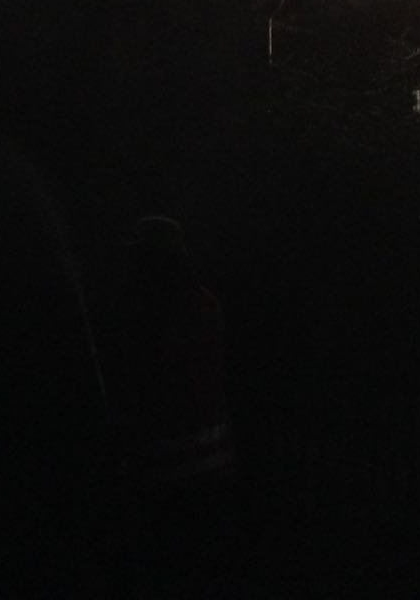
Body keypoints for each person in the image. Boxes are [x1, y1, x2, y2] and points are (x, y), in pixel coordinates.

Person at [109, 215, 236, 595]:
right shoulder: (206, 302)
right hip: (215, 464)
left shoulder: (149, 312)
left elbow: (149, 381)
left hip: (166, 470)